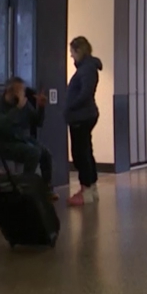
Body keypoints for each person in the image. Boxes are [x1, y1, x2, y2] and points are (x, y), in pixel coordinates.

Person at [65, 37, 102, 207]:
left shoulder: (86, 69)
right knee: (86, 151)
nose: (72, 57)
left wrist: (70, 106)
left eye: (72, 53)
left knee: (80, 153)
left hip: (81, 116)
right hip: (84, 115)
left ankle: (86, 188)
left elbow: (85, 92)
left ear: (79, 51)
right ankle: (91, 188)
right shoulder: (88, 68)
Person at [0, 77, 53, 185]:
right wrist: (17, 109)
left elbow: (38, 122)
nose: (22, 94)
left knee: (46, 154)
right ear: (10, 91)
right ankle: (26, 186)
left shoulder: (24, 105)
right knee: (33, 153)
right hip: (6, 143)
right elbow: (1, 126)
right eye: (20, 91)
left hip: (22, 139)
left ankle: (46, 188)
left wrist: (41, 107)